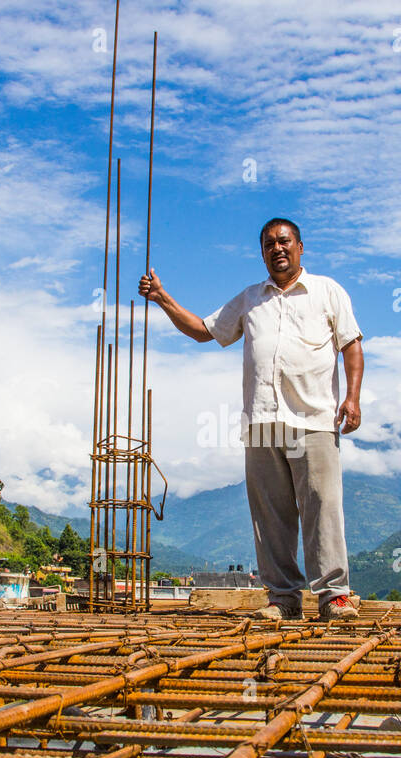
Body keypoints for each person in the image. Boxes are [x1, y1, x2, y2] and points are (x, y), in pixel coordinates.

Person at [138, 217, 364, 621]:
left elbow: (351, 346)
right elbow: (205, 331)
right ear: (262, 253)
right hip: (262, 423)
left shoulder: (328, 292)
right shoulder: (249, 299)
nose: (277, 249)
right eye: (268, 244)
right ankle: (283, 598)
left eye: (284, 241)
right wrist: (162, 297)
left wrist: (352, 398)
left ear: (300, 246)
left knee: (322, 507)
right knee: (271, 515)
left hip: (313, 420)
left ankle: (334, 597)